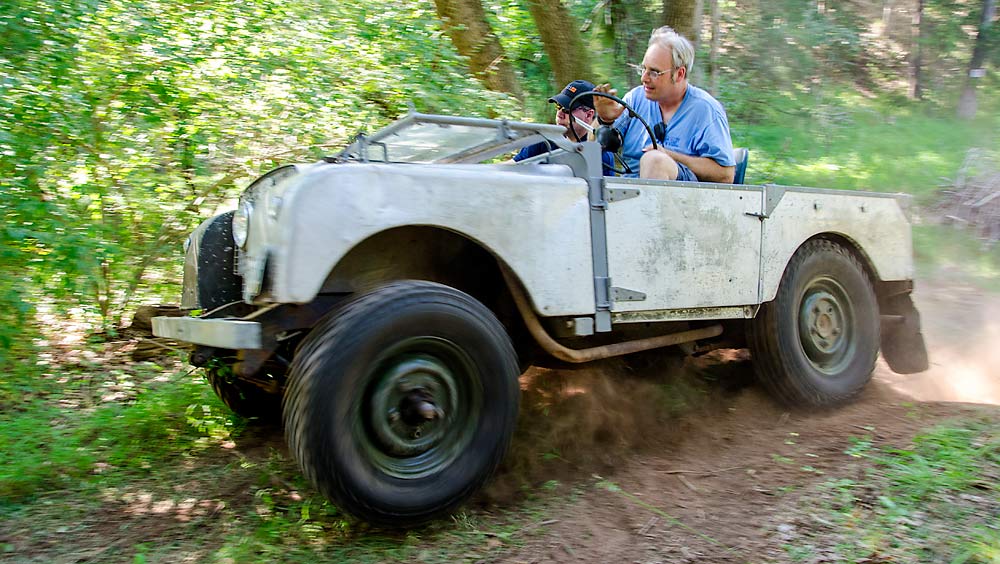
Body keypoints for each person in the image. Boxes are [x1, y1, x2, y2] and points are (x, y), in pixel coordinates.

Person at [593, 27, 736, 183]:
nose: (644, 78)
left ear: (679, 74)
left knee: (655, 161)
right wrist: (603, 120)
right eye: (643, 69)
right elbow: (590, 150)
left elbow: (725, 175)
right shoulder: (635, 99)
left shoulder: (706, 110)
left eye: (654, 72)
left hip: (681, 198)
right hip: (626, 195)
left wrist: (668, 156)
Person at [514, 80, 616, 175]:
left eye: (567, 109)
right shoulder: (544, 140)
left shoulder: (601, 154)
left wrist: (605, 120)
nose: (559, 114)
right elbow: (511, 166)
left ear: (589, 115)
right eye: (558, 107)